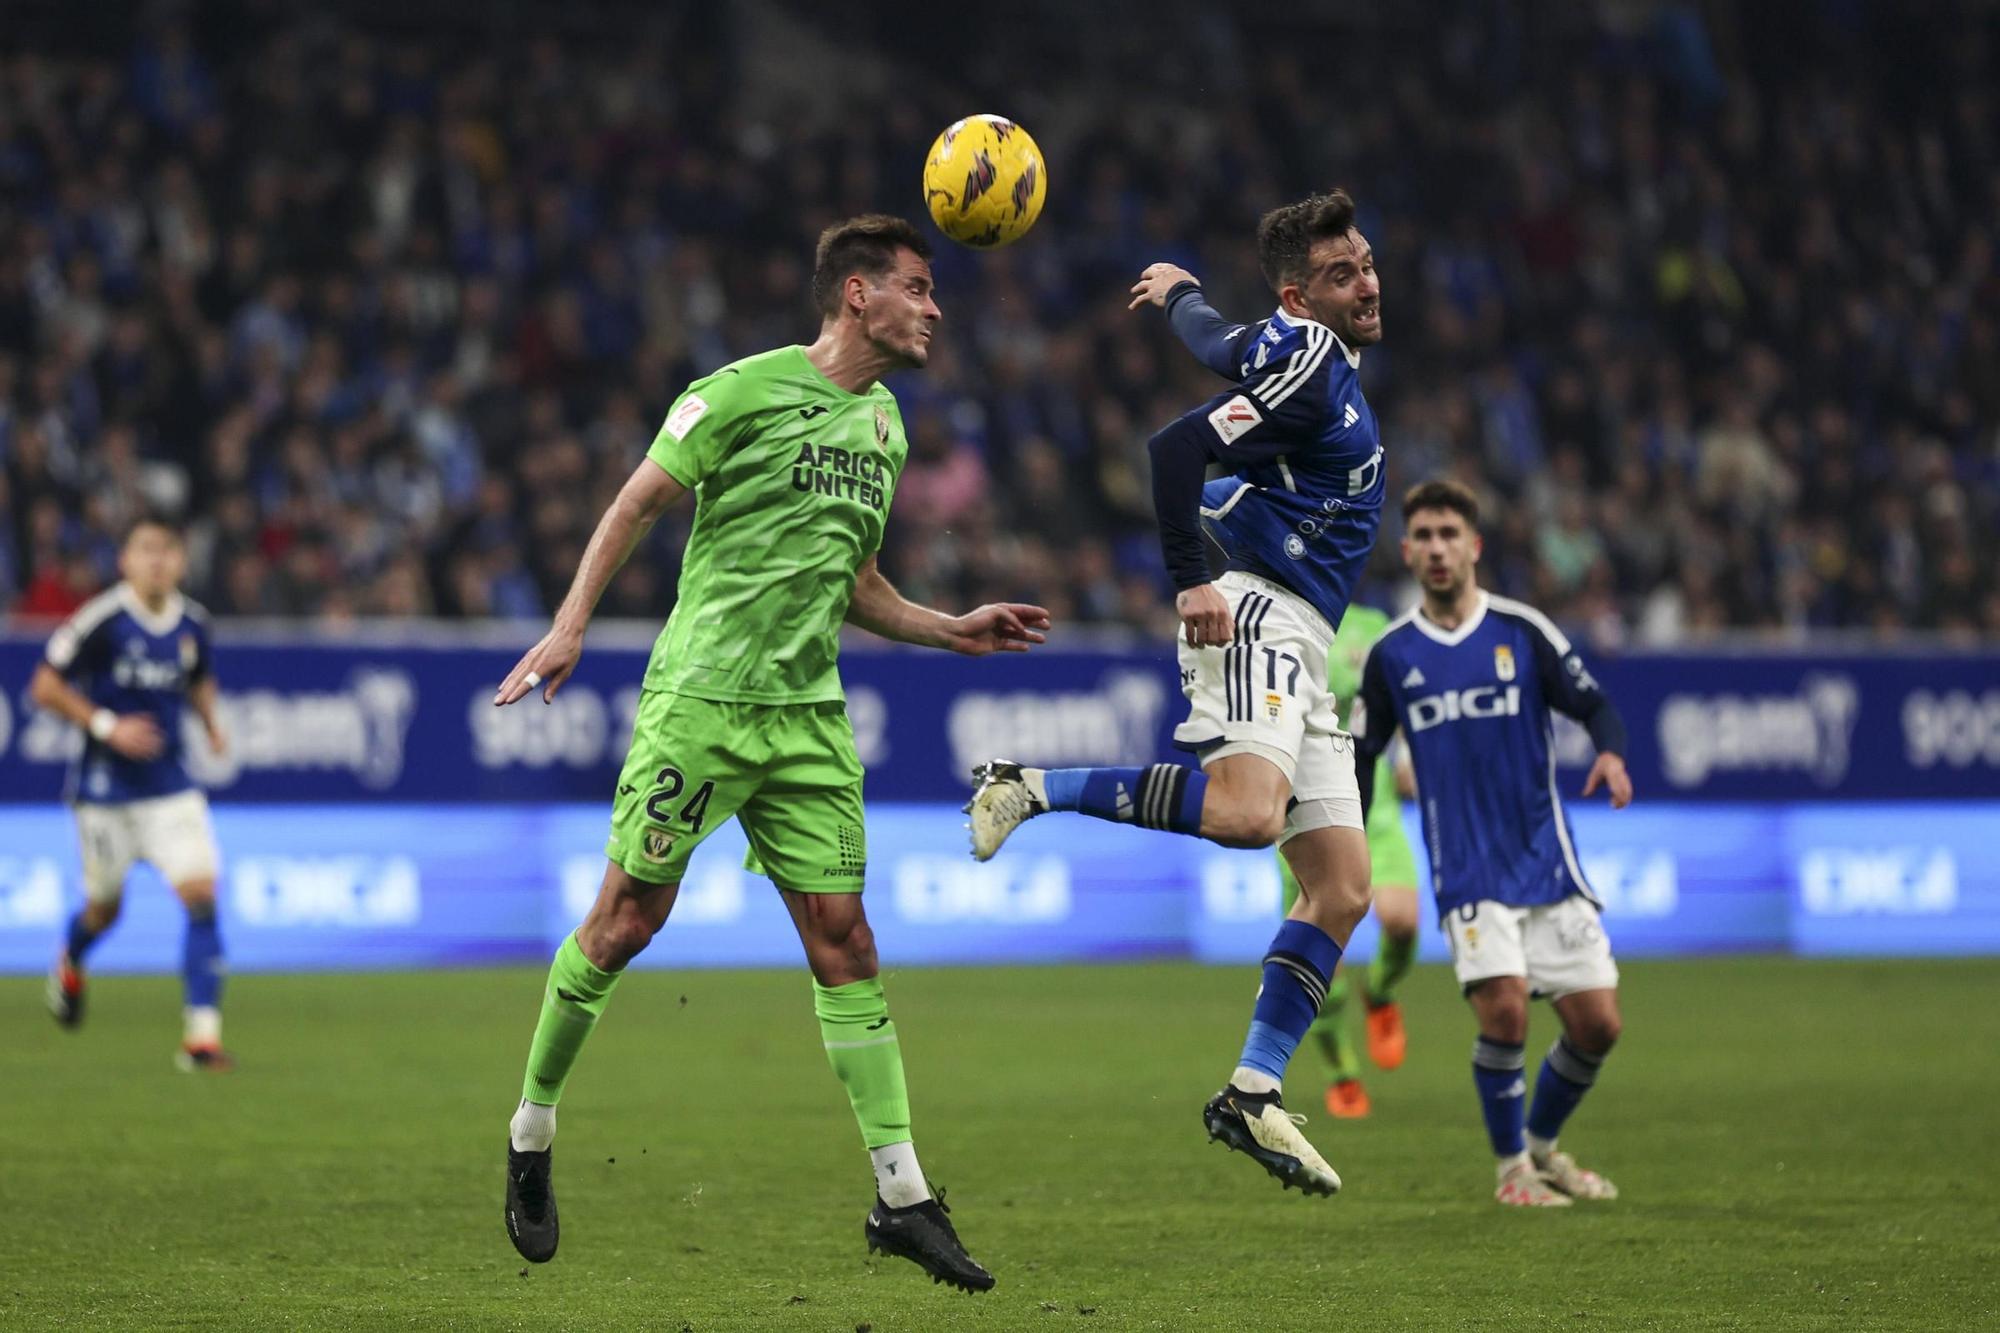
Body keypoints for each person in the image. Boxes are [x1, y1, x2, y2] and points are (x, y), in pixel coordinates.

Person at [492, 215, 1049, 1291]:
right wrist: (568, 625)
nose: (935, 309)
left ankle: (902, 1198)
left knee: (846, 942)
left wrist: (951, 627)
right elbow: (634, 505)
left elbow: (858, 585)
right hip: (700, 703)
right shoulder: (736, 391)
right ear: (855, 293)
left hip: (805, 719)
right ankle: (529, 1134)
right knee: (623, 925)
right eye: (918, 288)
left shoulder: (885, 426)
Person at [967, 190, 1385, 1197]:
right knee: (1248, 819)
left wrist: (1176, 293)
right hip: (1251, 605)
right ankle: (1026, 784)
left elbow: (1221, 339)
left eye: (1366, 263)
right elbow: (1172, 449)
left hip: (1301, 631)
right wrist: (1189, 577)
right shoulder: (1312, 368)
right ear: (1301, 295)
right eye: (1341, 276)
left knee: (1340, 887)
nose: (1367, 282)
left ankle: (1251, 1092)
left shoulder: (1288, 346)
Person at [1352, 480, 1632, 1207]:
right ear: (1408, 551)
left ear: (1473, 546)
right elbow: (1360, 751)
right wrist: (1345, 830)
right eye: (1424, 535)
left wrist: (1611, 752)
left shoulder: (1521, 629)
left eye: (1450, 532)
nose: (1438, 547)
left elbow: (1592, 701)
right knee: (1504, 1009)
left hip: (1545, 857)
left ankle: (1541, 1150)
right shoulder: (1391, 655)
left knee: (1598, 1024)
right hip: (1467, 865)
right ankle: (1511, 1170)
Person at [31, 516, 231, 1071]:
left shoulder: (194, 622)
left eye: (168, 551)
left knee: (202, 896)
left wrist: (211, 723)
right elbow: (44, 684)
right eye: (146, 550)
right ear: (125, 560)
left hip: (171, 787)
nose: (158, 560)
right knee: (104, 909)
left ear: (181, 562)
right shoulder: (103, 618)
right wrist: (104, 725)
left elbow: (198, 677)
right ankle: (71, 957)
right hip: (105, 792)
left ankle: (201, 1040)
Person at [1278, 599, 1421, 1119]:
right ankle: (1342, 1073)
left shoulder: (1372, 625)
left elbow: (1397, 699)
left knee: (1403, 923)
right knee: (1319, 967)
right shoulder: (1276, 614)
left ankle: (1380, 991)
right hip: (1297, 807)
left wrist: (1404, 757)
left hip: (1373, 804)